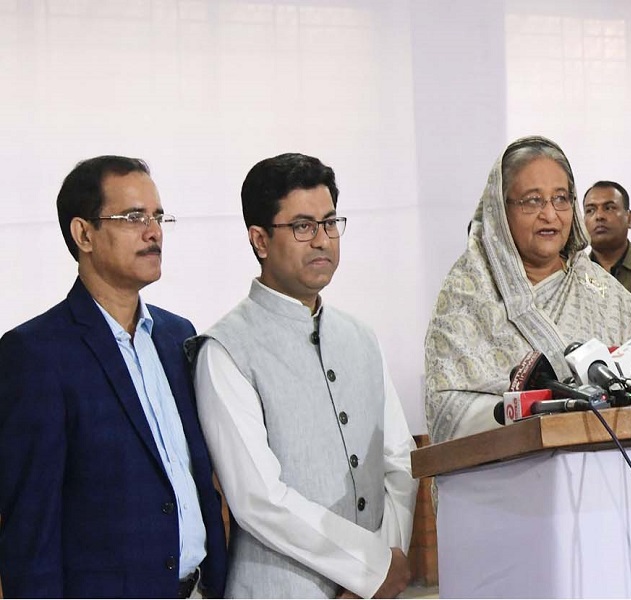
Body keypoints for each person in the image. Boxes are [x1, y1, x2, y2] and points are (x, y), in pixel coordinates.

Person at [0, 156, 227, 597]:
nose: (154, 232)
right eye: (133, 217)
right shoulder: (37, 353)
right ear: (83, 234)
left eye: (158, 216)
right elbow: (31, 527)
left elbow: (197, 478)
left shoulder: (177, 335)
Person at [191, 153, 416, 597]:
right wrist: (369, 568)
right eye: (302, 227)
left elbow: (399, 460)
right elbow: (257, 499)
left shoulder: (360, 337)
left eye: (330, 223)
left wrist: (383, 569)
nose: (322, 241)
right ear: (260, 239)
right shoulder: (224, 349)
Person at [425, 137, 631, 443]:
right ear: (500, 211)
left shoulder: (603, 291)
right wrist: (544, 415)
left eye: (561, 199)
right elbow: (446, 409)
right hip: (512, 465)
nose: (550, 214)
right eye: (532, 201)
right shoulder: (466, 292)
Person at [583, 180, 631, 291]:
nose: (599, 216)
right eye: (590, 210)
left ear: (629, 218)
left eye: (609, 208)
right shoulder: (575, 276)